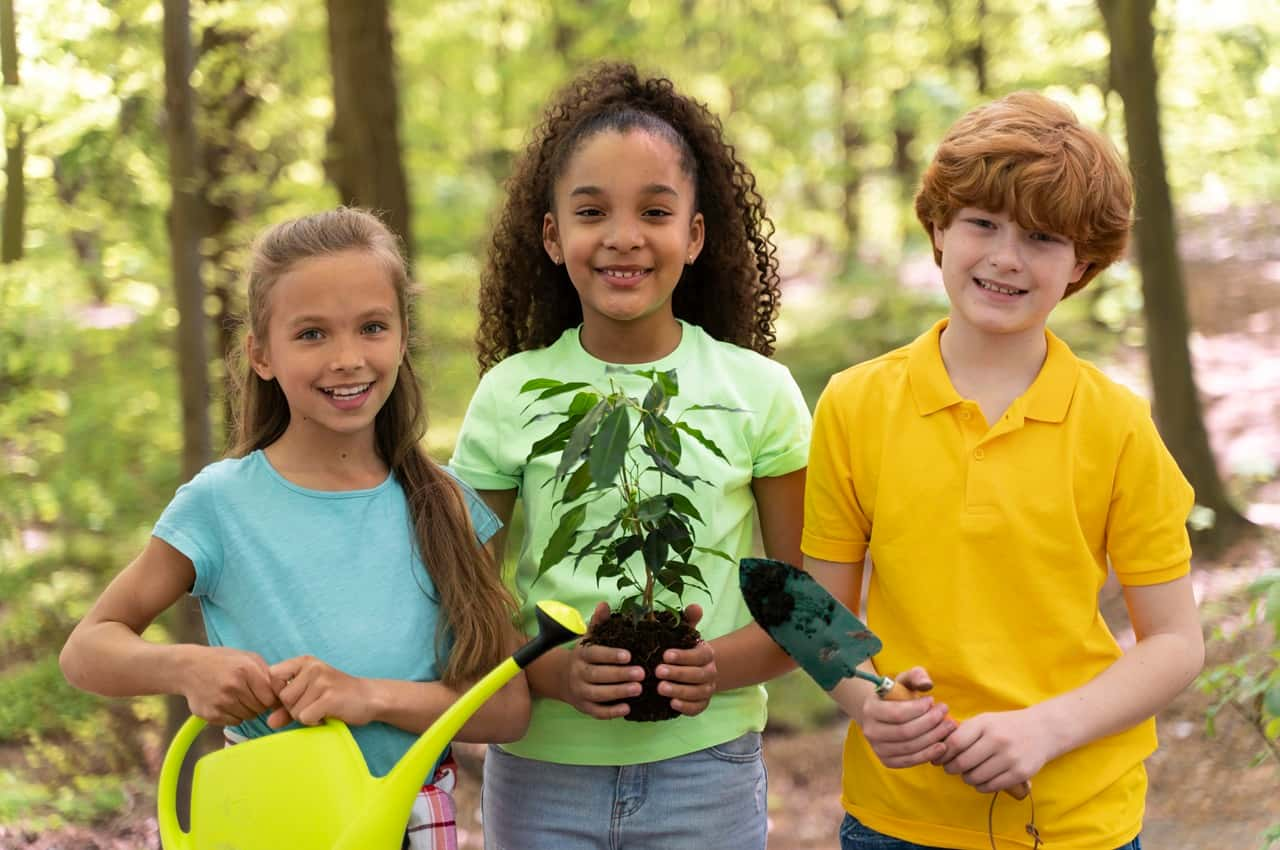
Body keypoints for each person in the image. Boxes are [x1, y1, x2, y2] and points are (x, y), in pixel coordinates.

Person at [803, 91, 1205, 850]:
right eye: (982, 223)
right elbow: (820, 614)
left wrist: (1047, 728)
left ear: (1081, 263)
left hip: (1078, 820)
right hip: (898, 819)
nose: (1005, 258)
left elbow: (1176, 643)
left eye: (1042, 237)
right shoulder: (854, 404)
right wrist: (866, 703)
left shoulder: (1117, 424)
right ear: (938, 230)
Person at [59, 207, 528, 850]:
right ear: (261, 354)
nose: (347, 358)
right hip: (266, 817)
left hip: (411, 821)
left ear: (400, 336)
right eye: (311, 334)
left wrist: (370, 696)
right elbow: (86, 650)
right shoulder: (220, 505)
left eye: (372, 327)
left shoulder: (443, 505)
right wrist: (187, 667)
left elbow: (506, 706)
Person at [449, 62, 811, 850]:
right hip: (542, 772)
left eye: (655, 210)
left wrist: (715, 663)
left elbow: (804, 603)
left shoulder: (762, 392)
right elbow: (457, 594)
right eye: (591, 211)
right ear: (553, 236)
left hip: (706, 770)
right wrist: (547, 672)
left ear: (695, 233)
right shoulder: (511, 395)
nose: (623, 236)